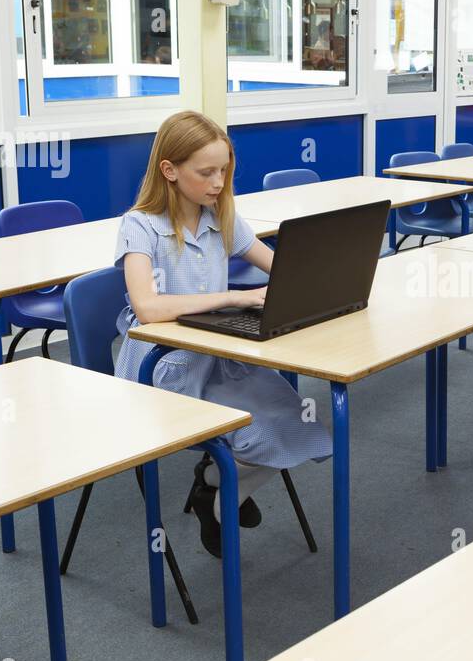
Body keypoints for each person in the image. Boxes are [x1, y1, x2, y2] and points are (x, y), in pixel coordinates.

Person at [113, 110, 332, 557]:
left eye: (224, 171)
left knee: (302, 425)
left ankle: (212, 487)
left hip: (217, 357)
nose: (218, 183)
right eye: (206, 172)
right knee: (261, 432)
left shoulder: (221, 217)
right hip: (160, 369)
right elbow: (148, 307)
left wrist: (323, 277)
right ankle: (222, 488)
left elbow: (281, 268)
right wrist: (232, 297)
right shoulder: (140, 224)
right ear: (170, 171)